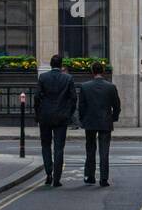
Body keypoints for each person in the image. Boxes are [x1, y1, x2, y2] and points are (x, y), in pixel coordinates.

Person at [33, 54, 77, 187]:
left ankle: (48, 173)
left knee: (45, 145)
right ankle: (57, 178)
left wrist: (38, 113)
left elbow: (36, 97)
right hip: (61, 117)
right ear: (61, 65)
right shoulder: (68, 78)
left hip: (45, 116)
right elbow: (73, 98)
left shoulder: (43, 77)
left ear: (51, 65)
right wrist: (69, 113)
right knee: (59, 148)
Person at [78, 62, 121, 187]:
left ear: (92, 72)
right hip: (105, 121)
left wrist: (82, 119)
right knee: (104, 151)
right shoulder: (111, 87)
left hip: (90, 122)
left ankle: (90, 176)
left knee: (90, 150)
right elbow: (117, 106)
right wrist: (113, 118)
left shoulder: (85, 86)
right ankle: (103, 179)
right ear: (103, 71)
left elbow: (81, 106)